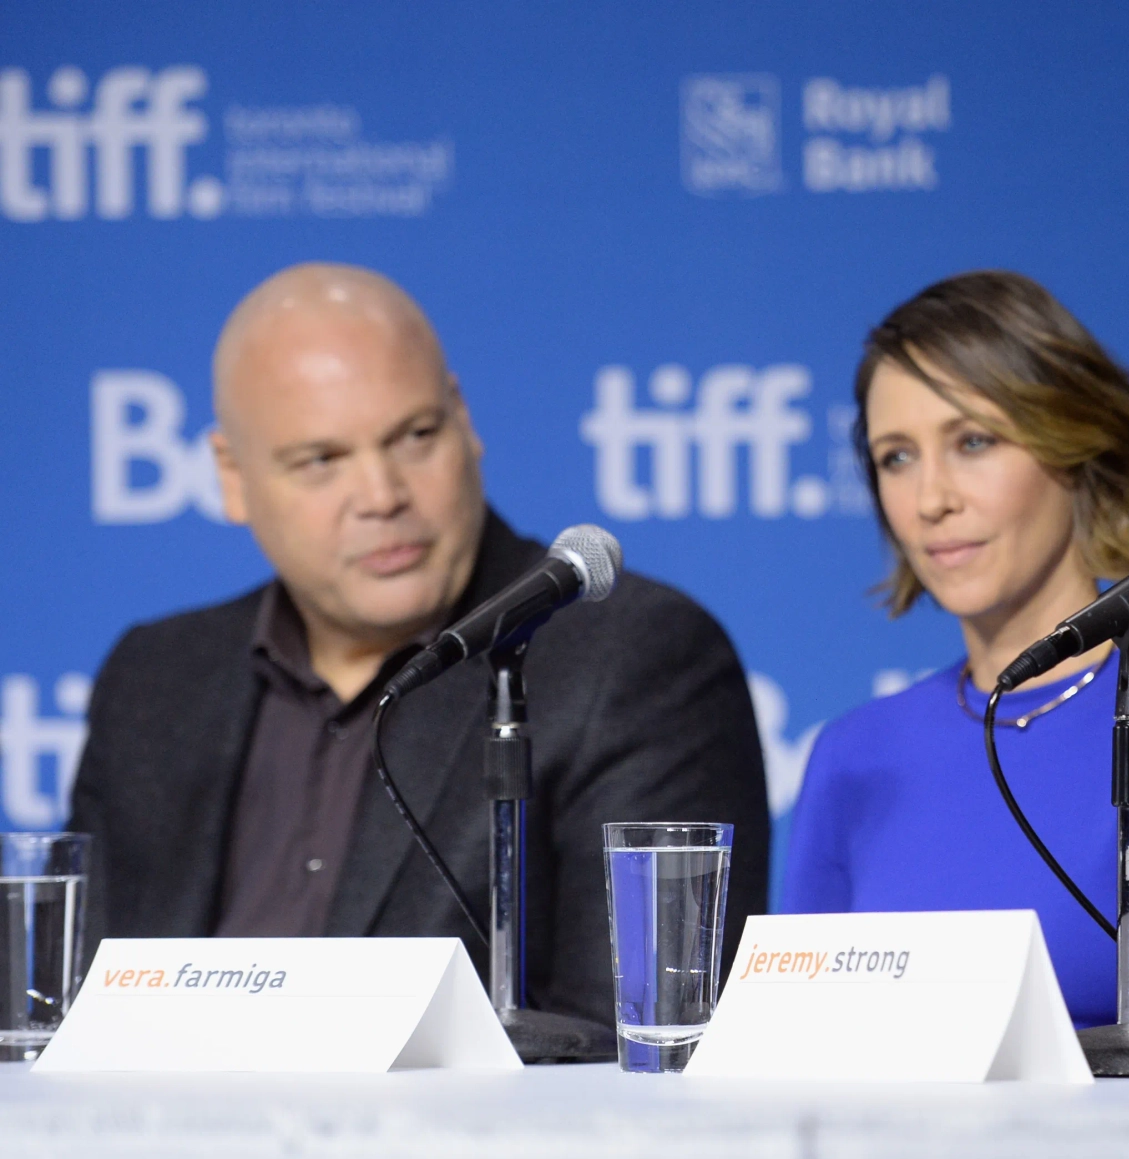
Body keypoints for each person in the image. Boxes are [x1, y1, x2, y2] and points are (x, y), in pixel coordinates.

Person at [68, 263, 770, 1027]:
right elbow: (81, 1014)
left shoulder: (630, 655)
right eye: (321, 461)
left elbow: (640, 1038)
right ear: (232, 478)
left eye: (415, 436)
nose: (382, 496)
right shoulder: (155, 679)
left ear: (464, 422)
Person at [780, 271, 1129, 1046]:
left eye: (974, 442)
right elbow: (790, 1054)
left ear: (1075, 446)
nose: (931, 499)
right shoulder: (850, 754)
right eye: (896, 458)